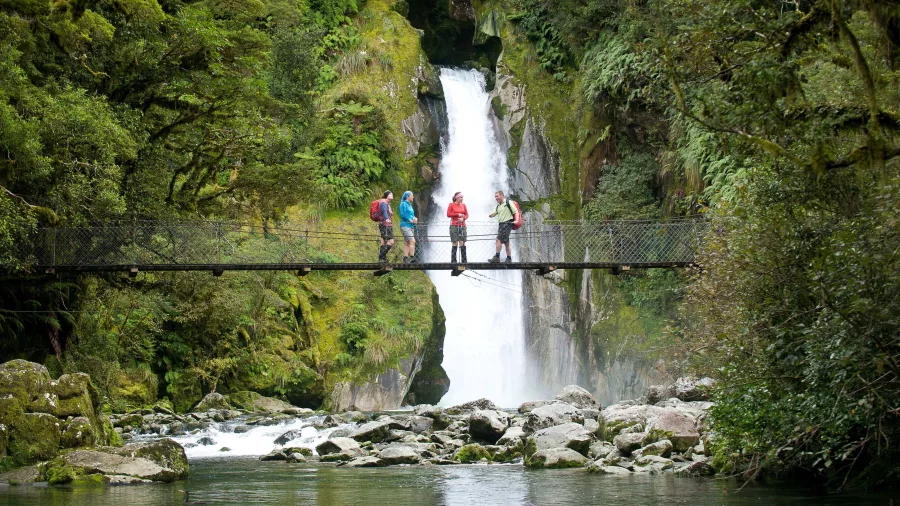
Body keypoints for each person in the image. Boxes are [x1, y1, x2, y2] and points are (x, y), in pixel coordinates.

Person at [488, 190, 519, 263]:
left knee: (498, 239)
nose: (496, 198)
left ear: (502, 195)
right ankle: (509, 258)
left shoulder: (508, 202)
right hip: (501, 224)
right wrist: (491, 215)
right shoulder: (498, 206)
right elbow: (494, 213)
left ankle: (497, 257)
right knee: (506, 242)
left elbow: (516, 212)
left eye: (497, 196)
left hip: (507, 223)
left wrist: (516, 220)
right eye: (495, 197)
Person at [446, 191, 469, 264]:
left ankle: (464, 260)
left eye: (462, 197)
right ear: (456, 198)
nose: (462, 199)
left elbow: (467, 215)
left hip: (462, 225)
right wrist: (457, 215)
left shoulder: (464, 205)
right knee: (455, 242)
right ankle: (453, 260)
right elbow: (448, 214)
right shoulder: (451, 205)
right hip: (454, 225)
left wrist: (463, 218)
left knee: (462, 242)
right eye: (461, 197)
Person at [398, 191, 418, 263]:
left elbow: (411, 215)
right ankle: (412, 258)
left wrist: (414, 218)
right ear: (407, 197)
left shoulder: (410, 205)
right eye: (412, 195)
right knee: (412, 241)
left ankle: (405, 258)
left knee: (407, 242)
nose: (413, 197)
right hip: (405, 225)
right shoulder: (403, 204)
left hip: (411, 226)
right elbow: (402, 214)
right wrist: (409, 220)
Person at [377, 191, 394, 263]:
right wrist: (387, 218)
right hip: (385, 224)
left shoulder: (387, 203)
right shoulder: (384, 202)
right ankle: (382, 255)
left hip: (385, 224)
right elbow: (384, 211)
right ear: (386, 195)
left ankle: (382, 258)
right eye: (390, 194)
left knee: (383, 241)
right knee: (391, 241)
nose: (392, 195)